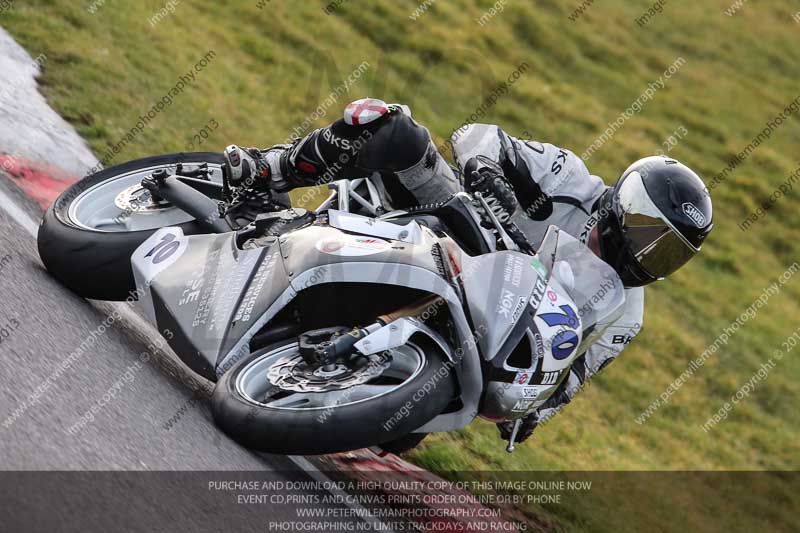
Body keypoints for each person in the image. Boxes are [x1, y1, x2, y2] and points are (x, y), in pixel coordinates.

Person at [222, 98, 714, 444]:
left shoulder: (625, 315)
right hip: (454, 225)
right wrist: (486, 171)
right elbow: (478, 135)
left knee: (406, 436)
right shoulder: (569, 180)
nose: (651, 257)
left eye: (670, 252)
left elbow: (571, 379)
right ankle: (269, 171)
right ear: (623, 206)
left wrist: (533, 410)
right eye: (651, 235)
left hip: (475, 335)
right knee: (392, 127)